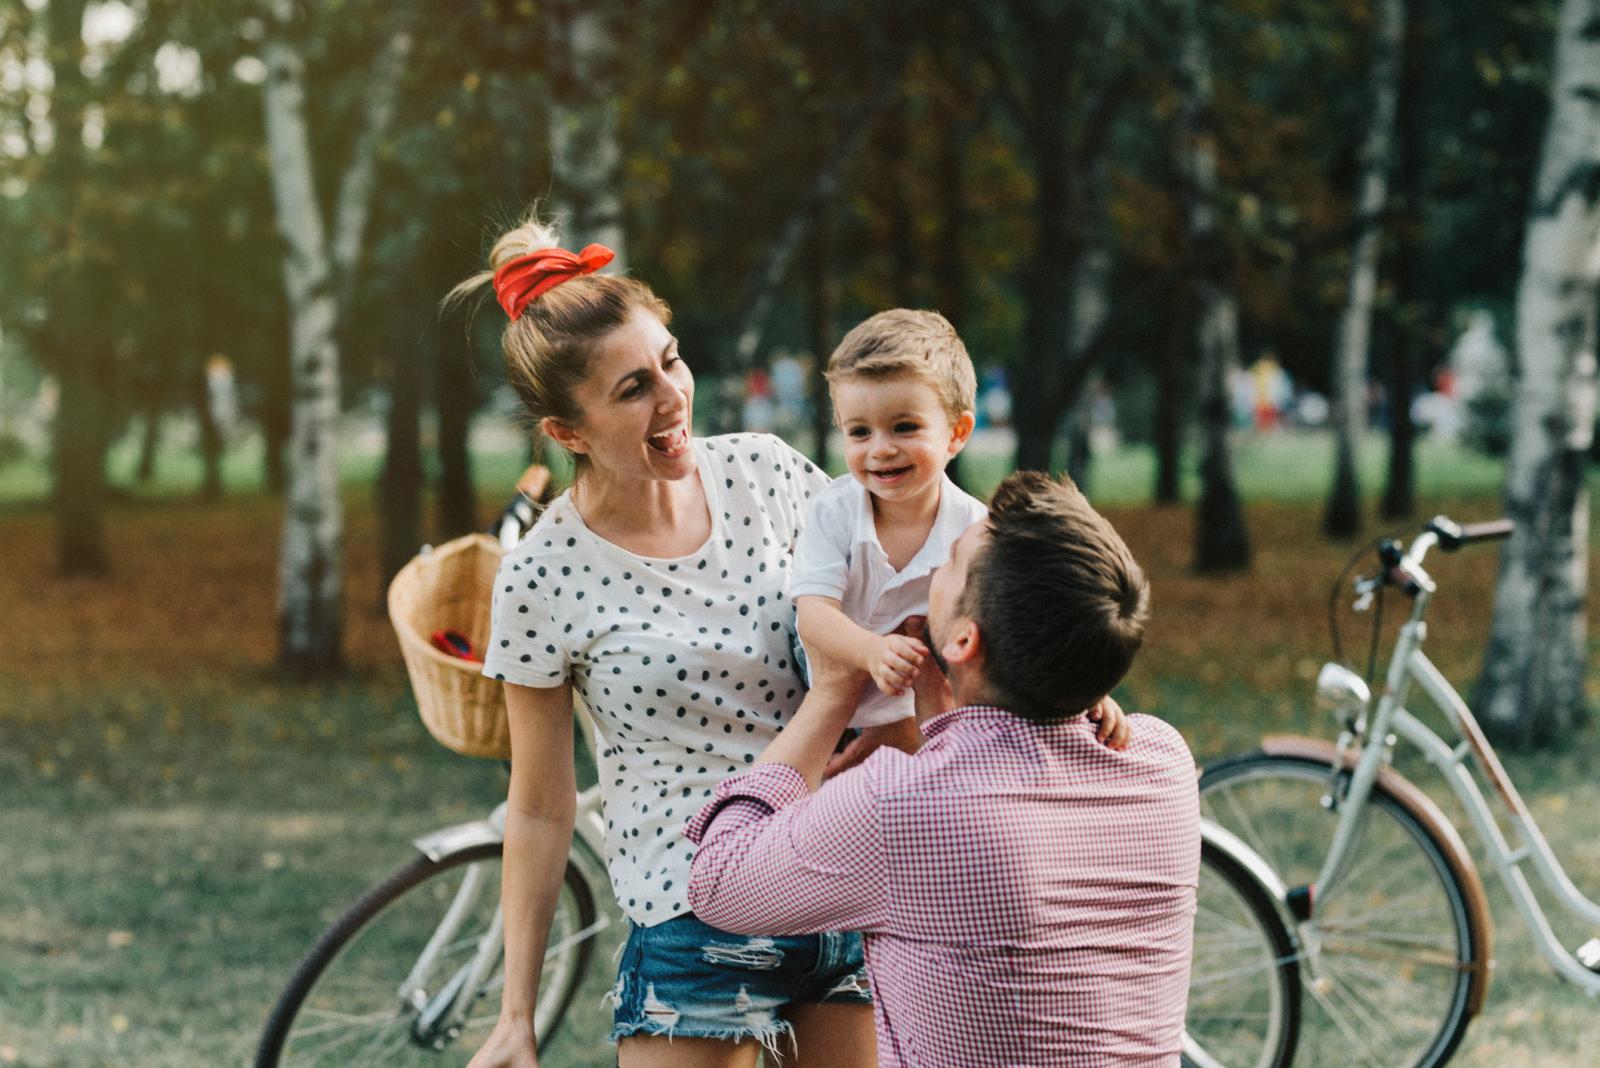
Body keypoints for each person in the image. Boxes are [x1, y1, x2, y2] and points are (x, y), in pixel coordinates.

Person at [455, 216, 875, 1068]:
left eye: (671, 361)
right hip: (694, 918)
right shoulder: (540, 575)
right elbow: (540, 807)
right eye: (632, 389)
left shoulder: (768, 473)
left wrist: (1060, 690)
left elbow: (909, 581)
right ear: (568, 433)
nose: (673, 396)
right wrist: (516, 1014)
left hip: (837, 885)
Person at [686, 471, 1201, 1067]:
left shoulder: (900, 803)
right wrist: (946, 717)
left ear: (963, 641)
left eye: (950, 558)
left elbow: (718, 884)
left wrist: (831, 692)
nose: (931, 568)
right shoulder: (1162, 761)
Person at [791, 310, 987, 756]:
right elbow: (813, 614)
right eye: (860, 432)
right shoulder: (834, 510)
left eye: (904, 427)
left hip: (916, 700)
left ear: (956, 433)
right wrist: (871, 652)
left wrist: (1083, 698)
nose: (881, 449)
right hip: (821, 678)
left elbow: (1017, 629)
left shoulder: (976, 530)